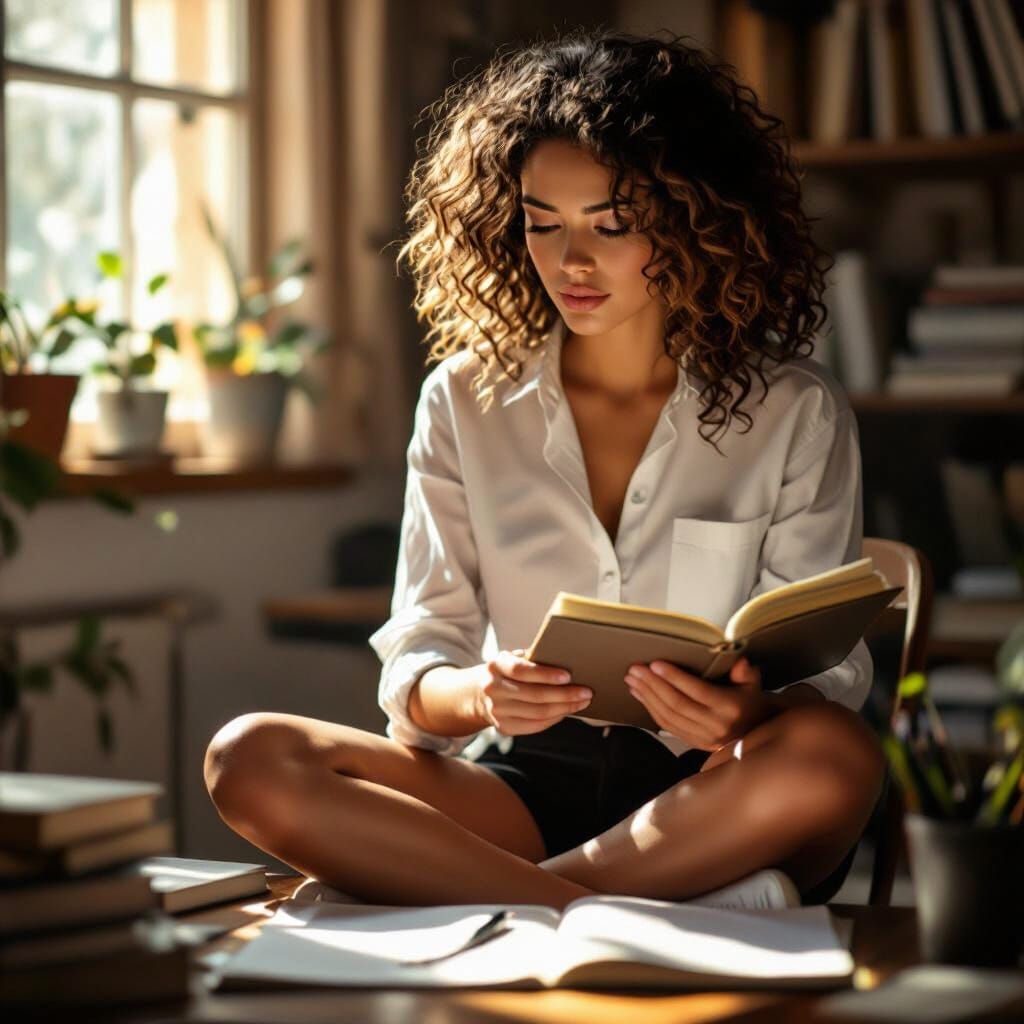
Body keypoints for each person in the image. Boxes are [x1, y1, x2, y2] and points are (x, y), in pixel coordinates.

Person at [205, 28, 885, 911]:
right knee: (250, 756)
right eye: (542, 223)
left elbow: (826, 678)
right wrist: (481, 696)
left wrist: (747, 715)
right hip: (518, 791)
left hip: (714, 793)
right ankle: (581, 909)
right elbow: (422, 654)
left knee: (838, 757)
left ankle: (495, 904)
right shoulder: (463, 398)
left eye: (612, 224)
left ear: (696, 223)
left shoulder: (795, 408)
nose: (572, 262)